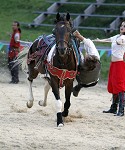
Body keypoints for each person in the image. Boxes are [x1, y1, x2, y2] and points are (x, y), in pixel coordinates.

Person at [94, 21, 125, 116]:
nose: (122, 27)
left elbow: (118, 41)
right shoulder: (116, 36)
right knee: (113, 84)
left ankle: (121, 110)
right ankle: (113, 108)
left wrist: (116, 39)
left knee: (119, 86)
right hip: (113, 64)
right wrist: (98, 40)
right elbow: (108, 39)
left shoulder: (123, 38)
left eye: (124, 26)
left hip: (119, 64)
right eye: (121, 25)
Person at [72, 30, 101, 97]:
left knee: (76, 68)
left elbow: (88, 42)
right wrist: (79, 36)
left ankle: (70, 85)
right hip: (94, 82)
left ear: (86, 59)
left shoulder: (81, 61)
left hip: (82, 81)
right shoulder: (96, 57)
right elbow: (88, 43)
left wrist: (78, 36)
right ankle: (77, 88)